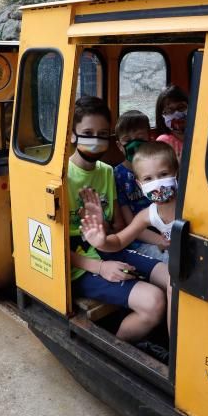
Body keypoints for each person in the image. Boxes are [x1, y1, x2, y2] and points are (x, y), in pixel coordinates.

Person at [68, 96, 169, 345]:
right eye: (87, 133)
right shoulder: (61, 178)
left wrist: (103, 227)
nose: (95, 140)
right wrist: (100, 268)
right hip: (78, 264)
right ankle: (117, 348)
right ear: (72, 135)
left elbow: (119, 229)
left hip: (109, 248)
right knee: (154, 301)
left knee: (173, 277)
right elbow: (49, 243)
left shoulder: (106, 172)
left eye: (102, 134)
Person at [81, 141, 177, 331]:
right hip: (180, 266)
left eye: (163, 175)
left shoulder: (190, 203)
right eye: (148, 179)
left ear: (175, 173)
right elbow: (118, 241)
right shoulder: (148, 215)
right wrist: (101, 241)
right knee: (174, 285)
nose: (156, 183)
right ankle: (175, 344)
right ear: (140, 185)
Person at [114, 110, 169, 261]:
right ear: (119, 145)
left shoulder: (158, 168)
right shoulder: (118, 175)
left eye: (139, 138)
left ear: (149, 138)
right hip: (139, 240)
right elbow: (131, 225)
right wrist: (162, 241)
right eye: (127, 140)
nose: (134, 144)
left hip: (164, 229)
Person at [155, 85, 188, 162]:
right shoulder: (164, 142)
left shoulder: (202, 134)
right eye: (170, 111)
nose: (176, 114)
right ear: (161, 116)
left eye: (181, 107)